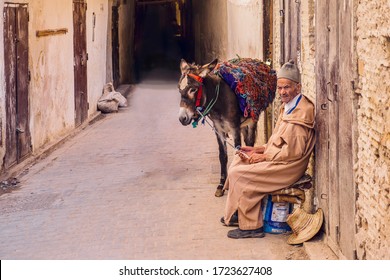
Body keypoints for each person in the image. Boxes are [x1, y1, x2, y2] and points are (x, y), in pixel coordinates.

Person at [221, 60, 316, 239]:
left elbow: (291, 153)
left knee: (239, 175)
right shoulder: (288, 108)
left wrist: (263, 157)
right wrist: (257, 149)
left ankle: (251, 226)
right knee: (238, 159)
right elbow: (277, 142)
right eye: (279, 88)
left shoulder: (301, 114)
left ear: (298, 87)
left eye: (287, 87)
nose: (282, 92)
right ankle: (237, 209)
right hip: (277, 158)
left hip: (287, 167)